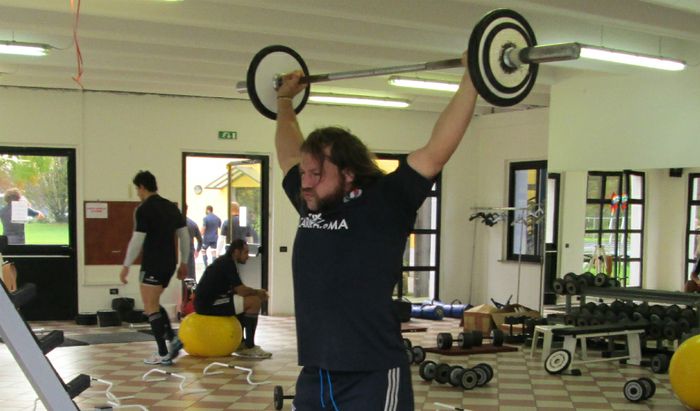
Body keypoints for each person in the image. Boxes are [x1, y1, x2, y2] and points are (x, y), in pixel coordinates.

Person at [275, 51, 477, 409]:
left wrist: (473, 77)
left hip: (373, 373)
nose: (304, 182)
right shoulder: (311, 203)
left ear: (348, 172)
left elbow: (436, 152)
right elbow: (288, 152)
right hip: (317, 372)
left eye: (316, 174)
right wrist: (284, 101)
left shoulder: (385, 203)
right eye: (304, 174)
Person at [119, 171, 190, 365]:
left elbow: (137, 240)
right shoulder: (171, 208)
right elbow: (184, 237)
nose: (137, 193)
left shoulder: (144, 209)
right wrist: (184, 262)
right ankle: (172, 339)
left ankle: (162, 352)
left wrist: (126, 265)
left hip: (153, 264)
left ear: (142, 187)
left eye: (137, 189)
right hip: (169, 263)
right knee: (155, 303)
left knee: (150, 306)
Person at [192, 239, 271, 358]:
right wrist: (258, 292)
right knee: (254, 301)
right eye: (245, 252)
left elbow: (238, 290)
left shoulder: (228, 262)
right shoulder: (227, 263)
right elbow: (241, 290)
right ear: (236, 252)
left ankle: (241, 343)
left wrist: (253, 292)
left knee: (247, 299)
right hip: (207, 304)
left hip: (214, 300)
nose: (247, 257)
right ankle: (249, 347)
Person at [183, 204, 203, 280]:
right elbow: (200, 240)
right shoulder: (193, 224)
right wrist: (197, 250)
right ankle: (190, 291)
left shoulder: (175, 224)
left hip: (179, 253)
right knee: (190, 276)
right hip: (190, 252)